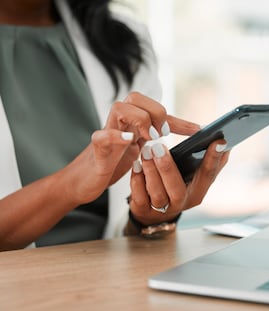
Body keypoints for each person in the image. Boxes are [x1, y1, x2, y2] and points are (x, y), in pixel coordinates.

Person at [0, 0, 229, 251]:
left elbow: (123, 236)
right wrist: (71, 184)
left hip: (104, 276)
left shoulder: (124, 38)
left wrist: (150, 216)